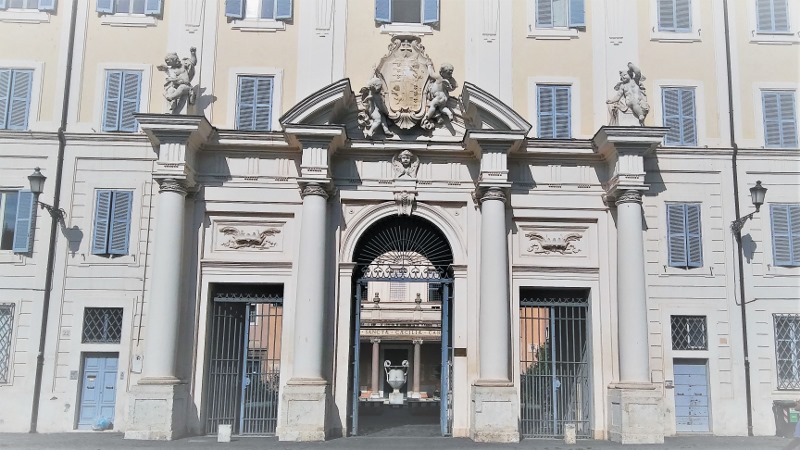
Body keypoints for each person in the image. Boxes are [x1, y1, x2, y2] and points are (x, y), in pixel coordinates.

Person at [157, 47, 197, 113]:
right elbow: (170, 79)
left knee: (182, 87)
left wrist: (193, 53)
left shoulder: (184, 63)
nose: (167, 63)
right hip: (176, 86)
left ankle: (171, 97)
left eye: (168, 61)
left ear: (174, 60)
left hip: (186, 86)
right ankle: (170, 111)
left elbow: (193, 62)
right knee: (170, 89)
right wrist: (166, 70)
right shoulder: (172, 70)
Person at [422, 63, 457, 128]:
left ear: (442, 72)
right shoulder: (448, 81)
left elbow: (431, 73)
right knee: (442, 108)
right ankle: (449, 113)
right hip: (444, 97)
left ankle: (428, 116)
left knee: (433, 105)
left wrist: (429, 65)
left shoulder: (439, 77)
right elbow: (453, 87)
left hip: (438, 97)